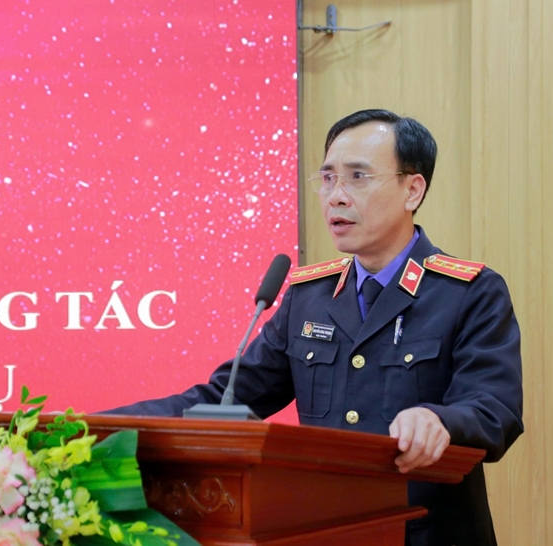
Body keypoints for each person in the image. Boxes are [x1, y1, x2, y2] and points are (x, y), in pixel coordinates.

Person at [109, 109, 524, 546]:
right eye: (327, 179)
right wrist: (98, 427)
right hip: (325, 532)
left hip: (427, 534)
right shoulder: (309, 297)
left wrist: (439, 420)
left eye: (358, 177)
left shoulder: (468, 292)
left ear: (412, 190)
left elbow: (495, 410)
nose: (336, 197)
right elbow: (225, 398)